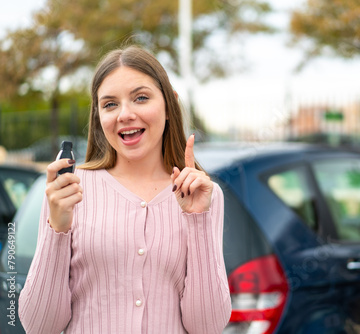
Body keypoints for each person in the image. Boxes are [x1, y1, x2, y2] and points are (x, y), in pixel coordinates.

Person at [19, 45, 232, 334]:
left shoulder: (204, 195)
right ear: (99, 117)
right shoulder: (68, 191)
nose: (125, 114)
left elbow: (207, 327)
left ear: (170, 105)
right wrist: (57, 227)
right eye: (110, 104)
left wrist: (197, 219)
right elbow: (39, 326)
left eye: (141, 98)